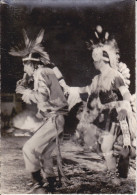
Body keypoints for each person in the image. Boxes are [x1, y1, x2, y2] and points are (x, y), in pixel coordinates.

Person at [73, 26, 136, 185]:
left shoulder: (115, 75)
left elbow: (126, 94)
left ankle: (120, 174)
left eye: (95, 60)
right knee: (105, 147)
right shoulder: (97, 79)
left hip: (120, 115)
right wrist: (69, 89)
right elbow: (86, 90)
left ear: (101, 60)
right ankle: (114, 175)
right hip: (106, 116)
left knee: (126, 147)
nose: (93, 62)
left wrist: (123, 108)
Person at [9, 29, 68, 193]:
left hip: (54, 118)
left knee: (28, 149)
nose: (24, 69)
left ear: (30, 64)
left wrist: (25, 92)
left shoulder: (41, 73)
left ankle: (38, 183)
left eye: (25, 65)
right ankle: (50, 182)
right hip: (57, 118)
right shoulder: (47, 71)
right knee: (44, 154)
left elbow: (42, 97)